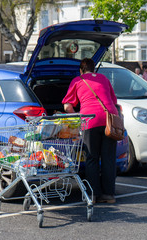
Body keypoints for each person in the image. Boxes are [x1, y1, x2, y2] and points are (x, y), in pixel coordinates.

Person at [62, 58, 118, 204]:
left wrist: (75, 119)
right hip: (110, 120)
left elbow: (67, 107)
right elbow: (114, 101)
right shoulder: (104, 78)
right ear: (94, 69)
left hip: (90, 120)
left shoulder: (77, 80)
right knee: (108, 159)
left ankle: (92, 195)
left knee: (92, 158)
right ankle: (109, 195)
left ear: (81, 70)